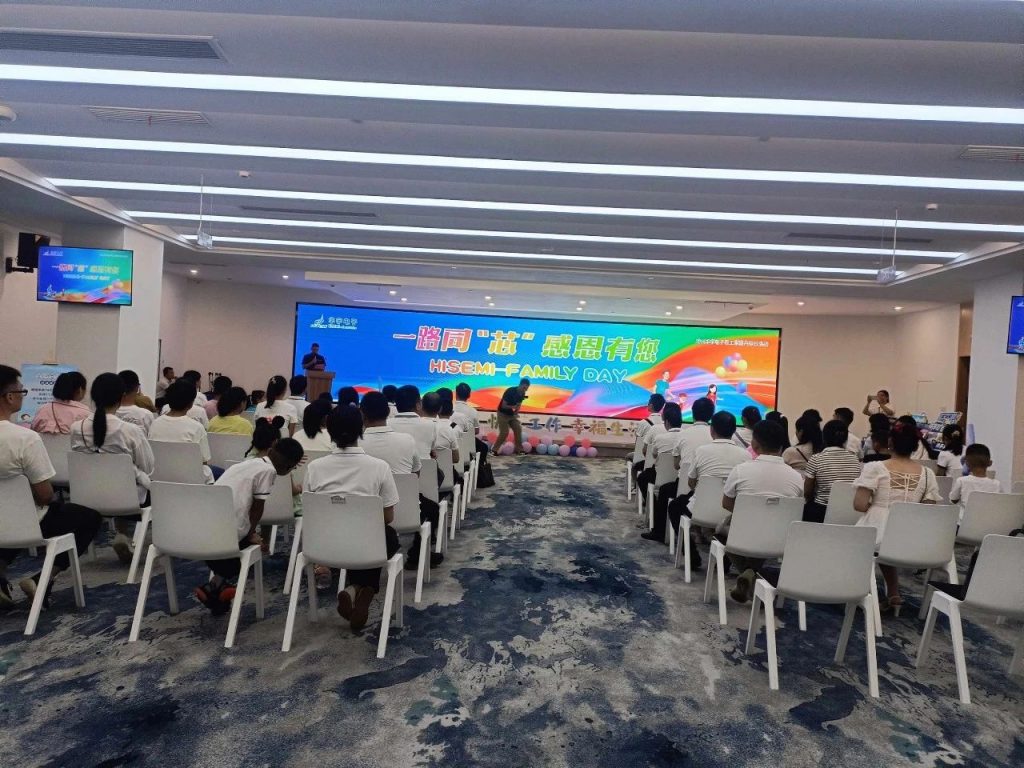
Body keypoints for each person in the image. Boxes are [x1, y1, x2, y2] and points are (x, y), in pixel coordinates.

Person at [0, 365, 102, 608]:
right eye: (22, 391)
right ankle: (42, 579)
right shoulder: (23, 438)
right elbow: (45, 495)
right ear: (10, 397)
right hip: (21, 519)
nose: (23, 396)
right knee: (88, 518)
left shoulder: (40, 416)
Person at [304, 406, 401, 632]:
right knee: (387, 536)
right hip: (367, 548)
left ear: (329, 430)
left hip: (323, 547)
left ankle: (355, 589)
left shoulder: (314, 468)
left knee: (374, 538)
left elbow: (310, 512)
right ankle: (361, 588)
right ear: (362, 429)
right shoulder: (379, 467)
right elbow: (388, 517)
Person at [195, 423, 303, 614]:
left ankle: (214, 587)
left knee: (229, 553)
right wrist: (251, 533)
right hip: (230, 530)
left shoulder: (246, 463)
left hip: (206, 524)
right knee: (247, 550)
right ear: (289, 468)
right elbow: (257, 508)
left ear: (271, 449)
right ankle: (218, 586)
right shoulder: (269, 472)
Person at [853, 421, 941, 612]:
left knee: (867, 541)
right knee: (887, 542)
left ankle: (854, 591)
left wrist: (877, 506)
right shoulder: (928, 473)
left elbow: (859, 505)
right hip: (911, 536)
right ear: (915, 446)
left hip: (877, 531)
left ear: (890, 443)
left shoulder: (875, 467)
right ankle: (893, 592)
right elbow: (928, 509)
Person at [70, 372, 155, 564]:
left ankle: (122, 534)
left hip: (87, 497)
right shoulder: (130, 430)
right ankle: (128, 537)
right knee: (143, 484)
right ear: (122, 396)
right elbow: (149, 467)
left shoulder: (76, 428)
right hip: (128, 500)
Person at [721, 420, 804, 604]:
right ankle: (751, 573)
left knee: (721, 531)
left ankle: (748, 572)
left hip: (742, 535)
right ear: (782, 446)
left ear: (754, 444)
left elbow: (726, 503)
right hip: (779, 539)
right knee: (765, 533)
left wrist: (749, 514)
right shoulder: (796, 477)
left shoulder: (741, 470)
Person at [360, 391, 442, 570]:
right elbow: (415, 474)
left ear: (363, 414)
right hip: (405, 510)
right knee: (433, 509)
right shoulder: (407, 440)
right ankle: (417, 555)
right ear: (387, 411)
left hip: (361, 513)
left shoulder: (357, 443)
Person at [672, 411, 751, 562]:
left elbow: (691, 482)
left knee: (675, 507)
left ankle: (692, 557)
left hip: (700, 510)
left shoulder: (701, 451)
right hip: (730, 513)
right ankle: (725, 560)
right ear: (734, 430)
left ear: (712, 430)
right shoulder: (746, 455)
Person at [148, 379, 216, 483]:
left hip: (159, 478)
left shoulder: (155, 423)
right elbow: (204, 462)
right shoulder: (196, 427)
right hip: (189, 480)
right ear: (191, 403)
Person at [803, 419, 862, 523]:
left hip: (821, 512)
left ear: (824, 438)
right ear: (846, 439)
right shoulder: (855, 459)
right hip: (849, 512)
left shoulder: (816, 459)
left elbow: (807, 492)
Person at [640, 403, 683, 543]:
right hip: (681, 481)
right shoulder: (686, 437)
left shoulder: (660, 438)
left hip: (661, 477)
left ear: (667, 422)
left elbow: (651, 454)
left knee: (643, 478)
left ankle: (653, 513)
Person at [949, 444, 1002, 510]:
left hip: (966, 516)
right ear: (990, 463)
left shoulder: (961, 481)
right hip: (989, 516)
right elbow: (1000, 503)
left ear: (967, 463)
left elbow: (953, 500)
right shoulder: (997, 484)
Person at [391, 385, 436, 459]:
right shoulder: (430, 424)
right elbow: (432, 450)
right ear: (418, 405)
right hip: (425, 466)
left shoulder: (388, 424)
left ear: (396, 405)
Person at [673, 397, 715, 470]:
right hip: (707, 475)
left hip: (684, 476)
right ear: (711, 416)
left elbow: (676, 465)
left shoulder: (681, 434)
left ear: (692, 413)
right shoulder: (715, 436)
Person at [423, 391, 460, 469]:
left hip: (419, 473)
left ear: (421, 406)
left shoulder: (413, 427)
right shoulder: (450, 428)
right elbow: (456, 459)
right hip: (446, 473)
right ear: (440, 409)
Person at [454, 382, 489, 465]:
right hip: (467, 443)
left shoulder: (450, 408)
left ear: (456, 394)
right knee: (484, 447)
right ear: (469, 395)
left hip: (451, 441)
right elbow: (476, 431)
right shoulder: (473, 411)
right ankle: (478, 469)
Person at [494, 378, 530, 456]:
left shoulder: (522, 393)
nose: (524, 390)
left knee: (518, 428)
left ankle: (519, 450)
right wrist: (513, 407)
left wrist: (516, 413)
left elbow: (518, 405)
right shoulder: (510, 391)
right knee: (504, 432)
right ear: (520, 385)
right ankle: (494, 450)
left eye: (526, 389)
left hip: (511, 414)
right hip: (502, 413)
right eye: (524, 388)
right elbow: (503, 406)